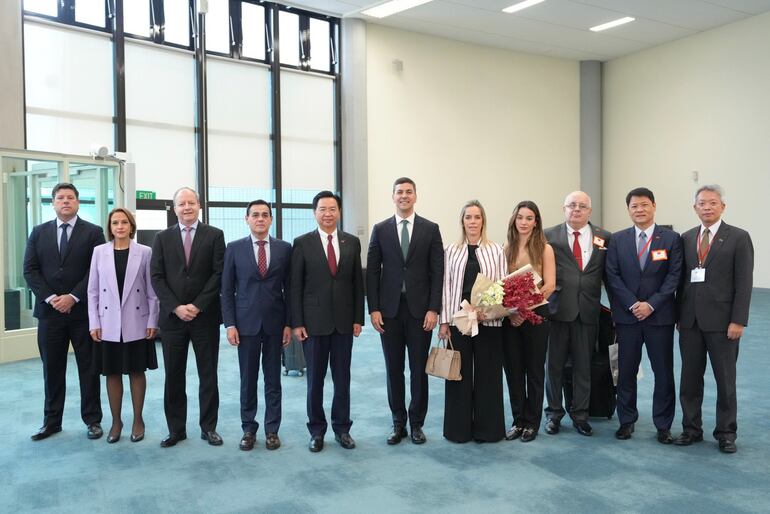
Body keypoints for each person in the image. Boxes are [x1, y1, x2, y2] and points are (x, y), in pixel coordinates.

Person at [674, 185, 753, 453]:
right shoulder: (685, 238)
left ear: (723, 206)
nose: (707, 207)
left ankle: (726, 432)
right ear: (694, 207)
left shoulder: (738, 237)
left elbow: (744, 283)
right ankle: (691, 428)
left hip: (723, 323)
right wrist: (678, 316)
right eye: (702, 203)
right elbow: (680, 280)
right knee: (690, 379)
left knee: (725, 380)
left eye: (712, 203)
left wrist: (738, 320)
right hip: (690, 322)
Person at [23, 182, 105, 441]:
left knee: (89, 369)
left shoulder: (94, 232)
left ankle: (92, 420)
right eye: (60, 198)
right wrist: (50, 298)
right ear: (53, 203)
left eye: (70, 197)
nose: (66, 201)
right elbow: (30, 270)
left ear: (78, 202)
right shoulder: (38, 233)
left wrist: (72, 297)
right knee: (52, 369)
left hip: (83, 314)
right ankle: (51, 422)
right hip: (49, 315)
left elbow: (97, 269)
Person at [367, 177, 444, 445]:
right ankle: (397, 422)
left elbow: (438, 272)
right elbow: (373, 271)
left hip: (420, 311)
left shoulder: (430, 229)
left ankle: (417, 424)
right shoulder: (380, 229)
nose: (404, 196)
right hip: (388, 311)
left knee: (418, 369)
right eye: (399, 192)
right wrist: (373, 308)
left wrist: (434, 308)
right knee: (393, 369)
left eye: (408, 192)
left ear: (415, 196)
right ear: (393, 196)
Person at [605, 187, 682, 443]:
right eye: (634, 206)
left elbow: (673, 277)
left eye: (644, 205)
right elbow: (612, 276)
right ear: (628, 210)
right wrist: (632, 304)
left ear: (654, 206)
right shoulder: (617, 239)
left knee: (663, 372)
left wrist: (651, 304)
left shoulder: (671, 239)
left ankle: (663, 425)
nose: (639, 210)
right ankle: (627, 421)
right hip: (628, 318)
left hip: (659, 317)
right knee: (626, 371)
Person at [151, 187, 225, 448]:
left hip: (204, 316)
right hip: (173, 319)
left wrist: (197, 305)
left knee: (208, 374)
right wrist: (176, 307)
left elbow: (219, 274)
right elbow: (156, 276)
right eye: (181, 204)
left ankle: (209, 428)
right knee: (174, 375)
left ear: (199, 205)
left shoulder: (215, 235)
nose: (186, 207)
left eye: (191, 203)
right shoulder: (162, 238)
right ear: (174, 208)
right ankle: (176, 429)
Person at [290, 191, 364, 453]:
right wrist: (297, 322)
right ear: (315, 213)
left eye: (332, 209)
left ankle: (342, 429)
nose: (328, 213)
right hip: (313, 324)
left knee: (343, 379)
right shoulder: (302, 243)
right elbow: (295, 286)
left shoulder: (351, 242)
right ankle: (317, 430)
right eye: (322, 209)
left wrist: (358, 318)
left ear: (339, 212)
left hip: (344, 323)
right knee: (315, 381)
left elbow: (358, 284)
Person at [221, 200, 292, 451]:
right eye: (255, 215)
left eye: (264, 215)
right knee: (248, 380)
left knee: (273, 380)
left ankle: (272, 430)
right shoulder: (234, 248)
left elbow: (290, 289)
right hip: (246, 325)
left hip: (275, 324)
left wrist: (289, 324)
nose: (260, 219)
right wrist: (230, 324)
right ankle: (248, 429)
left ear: (271, 220)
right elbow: (227, 290)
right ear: (247, 219)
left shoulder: (284, 249)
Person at [87, 208, 159, 443]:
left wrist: (152, 320)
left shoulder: (145, 252)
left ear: (131, 226)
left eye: (124, 222)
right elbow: (93, 291)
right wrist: (94, 322)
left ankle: (138, 419)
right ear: (109, 227)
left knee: (137, 371)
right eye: (115, 222)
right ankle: (116, 421)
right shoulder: (99, 252)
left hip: (136, 320)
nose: (120, 226)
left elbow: (152, 291)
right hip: (108, 322)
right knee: (112, 372)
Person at [543, 191, 611, 437]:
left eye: (582, 206)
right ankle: (553, 414)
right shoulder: (549, 236)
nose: (577, 210)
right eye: (572, 205)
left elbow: (609, 276)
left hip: (588, 312)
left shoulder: (604, 237)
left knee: (584, 367)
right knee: (554, 367)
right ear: (564, 209)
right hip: (557, 311)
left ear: (590, 212)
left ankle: (581, 415)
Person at [438, 200, 506, 443]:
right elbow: (445, 286)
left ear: (483, 221)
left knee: (489, 375)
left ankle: (488, 430)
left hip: (487, 320)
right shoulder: (451, 250)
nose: (473, 222)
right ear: (462, 221)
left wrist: (485, 311)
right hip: (459, 321)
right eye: (468, 217)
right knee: (459, 374)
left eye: (477, 217)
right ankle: (459, 430)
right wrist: (444, 322)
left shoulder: (496, 250)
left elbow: (501, 285)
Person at [501, 201, 556, 442]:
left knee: (534, 371)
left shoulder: (545, 248)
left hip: (535, 316)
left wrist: (526, 308)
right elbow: (500, 285)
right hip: (510, 317)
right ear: (514, 220)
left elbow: (550, 285)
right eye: (520, 217)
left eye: (529, 218)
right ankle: (517, 420)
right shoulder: (506, 248)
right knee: (513, 371)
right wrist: (512, 311)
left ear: (536, 222)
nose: (524, 222)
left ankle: (532, 422)